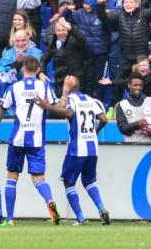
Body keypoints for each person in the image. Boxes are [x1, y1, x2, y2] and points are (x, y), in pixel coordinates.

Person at [0, 56, 61, 226]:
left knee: (12, 178)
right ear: (38, 71)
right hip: (36, 140)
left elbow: (0, 112)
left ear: (22, 69)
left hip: (17, 140)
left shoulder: (14, 88)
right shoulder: (44, 86)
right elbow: (58, 107)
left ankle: (10, 219)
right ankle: (49, 200)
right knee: (39, 178)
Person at [35, 75, 110, 225]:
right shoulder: (91, 100)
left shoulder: (71, 100)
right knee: (89, 182)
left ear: (69, 86)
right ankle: (101, 209)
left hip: (77, 148)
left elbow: (66, 112)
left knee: (69, 183)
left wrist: (47, 106)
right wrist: (95, 132)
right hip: (92, 148)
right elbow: (104, 119)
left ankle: (81, 218)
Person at [114, 72, 151, 143]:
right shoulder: (122, 105)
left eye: (140, 85)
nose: (138, 87)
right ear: (129, 85)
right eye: (135, 85)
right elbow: (122, 128)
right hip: (133, 146)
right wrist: (137, 124)